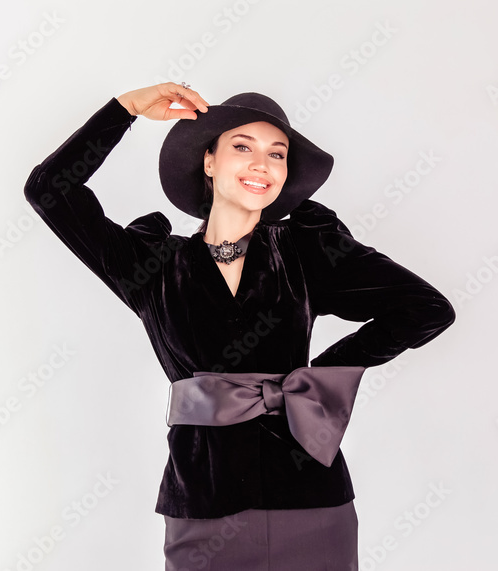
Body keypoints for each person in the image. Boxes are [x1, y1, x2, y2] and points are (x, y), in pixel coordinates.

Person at [23, 81, 455, 569]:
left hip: (313, 502)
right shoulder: (151, 264)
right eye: (243, 147)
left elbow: (426, 308)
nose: (262, 164)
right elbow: (48, 190)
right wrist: (126, 109)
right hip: (204, 508)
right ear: (209, 160)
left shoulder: (308, 248)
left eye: (277, 154)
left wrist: (317, 375)